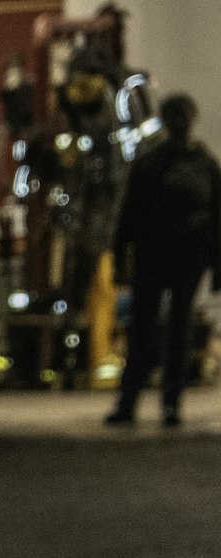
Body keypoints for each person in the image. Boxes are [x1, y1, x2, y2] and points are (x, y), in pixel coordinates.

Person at [107, 93, 221, 426]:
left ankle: (166, 403)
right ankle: (131, 401)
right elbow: (129, 216)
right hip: (155, 258)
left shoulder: (202, 166)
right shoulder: (153, 165)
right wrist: (118, 258)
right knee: (145, 330)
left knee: (176, 330)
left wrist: (216, 266)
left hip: (184, 259)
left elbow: (216, 219)